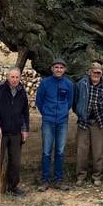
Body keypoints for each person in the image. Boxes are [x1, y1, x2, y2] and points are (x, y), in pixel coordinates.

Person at [0, 67, 30, 199]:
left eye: (17, 77)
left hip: (16, 132)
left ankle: (13, 186)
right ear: (7, 77)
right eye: (12, 77)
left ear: (20, 77)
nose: (15, 80)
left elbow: (25, 113)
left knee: (15, 161)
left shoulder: (22, 92)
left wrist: (25, 129)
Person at [34, 58, 75, 191]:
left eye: (61, 68)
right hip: (48, 121)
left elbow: (69, 102)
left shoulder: (69, 84)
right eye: (56, 67)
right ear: (52, 69)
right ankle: (45, 180)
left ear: (65, 70)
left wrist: (63, 112)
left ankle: (58, 180)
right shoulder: (45, 83)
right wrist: (46, 113)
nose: (58, 70)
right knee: (46, 151)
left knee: (60, 151)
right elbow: (39, 101)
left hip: (62, 122)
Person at [73, 61, 103, 186]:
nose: (96, 74)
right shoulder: (82, 83)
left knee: (98, 151)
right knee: (82, 150)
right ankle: (81, 176)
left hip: (99, 121)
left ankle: (97, 176)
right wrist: (80, 113)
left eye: (99, 72)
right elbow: (75, 101)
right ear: (89, 72)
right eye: (94, 72)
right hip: (84, 121)